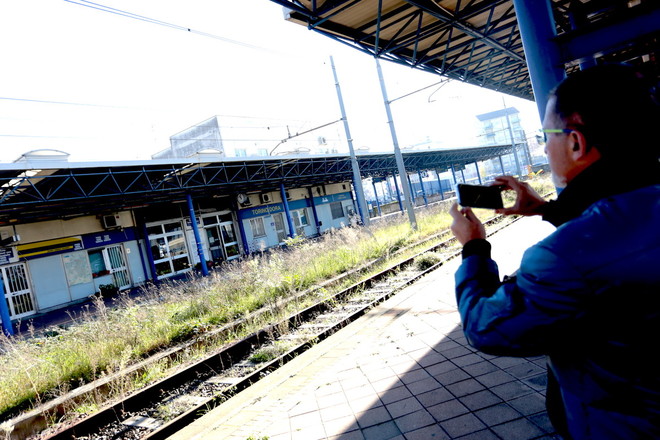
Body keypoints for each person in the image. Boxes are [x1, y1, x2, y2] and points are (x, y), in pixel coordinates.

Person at [449, 64, 660, 440]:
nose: (545, 148)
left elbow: (487, 328)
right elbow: (618, 234)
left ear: (576, 142)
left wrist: (474, 247)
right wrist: (548, 209)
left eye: (546, 135)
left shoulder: (563, 256)